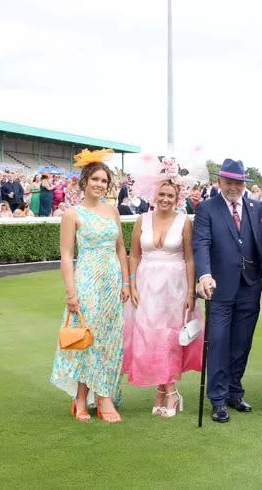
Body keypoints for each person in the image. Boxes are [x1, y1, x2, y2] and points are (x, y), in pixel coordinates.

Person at [50, 148, 130, 423]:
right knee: (89, 338)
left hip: (112, 281)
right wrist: (71, 293)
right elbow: (65, 255)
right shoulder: (72, 214)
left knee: (109, 340)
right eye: (95, 179)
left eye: (104, 181)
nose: (99, 184)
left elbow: (121, 249)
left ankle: (89, 397)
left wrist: (126, 282)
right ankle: (93, 398)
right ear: (84, 181)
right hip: (87, 281)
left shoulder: (113, 212)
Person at [124, 160, 202, 418]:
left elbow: (190, 258)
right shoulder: (142, 220)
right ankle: (164, 391)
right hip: (145, 286)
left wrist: (191, 292)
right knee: (149, 337)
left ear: (177, 197)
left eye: (170, 195)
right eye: (162, 194)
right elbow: (133, 255)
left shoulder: (184, 222)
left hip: (175, 287)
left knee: (168, 339)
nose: (165, 199)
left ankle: (169, 392)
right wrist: (132, 283)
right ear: (154, 195)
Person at [193, 159, 262, 423]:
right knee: (219, 343)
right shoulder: (206, 209)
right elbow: (201, 243)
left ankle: (235, 392)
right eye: (229, 182)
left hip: (250, 286)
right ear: (219, 182)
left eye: (238, 182)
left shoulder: (257, 207)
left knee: (241, 344)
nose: (234, 187)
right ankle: (217, 398)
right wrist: (204, 274)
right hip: (219, 288)